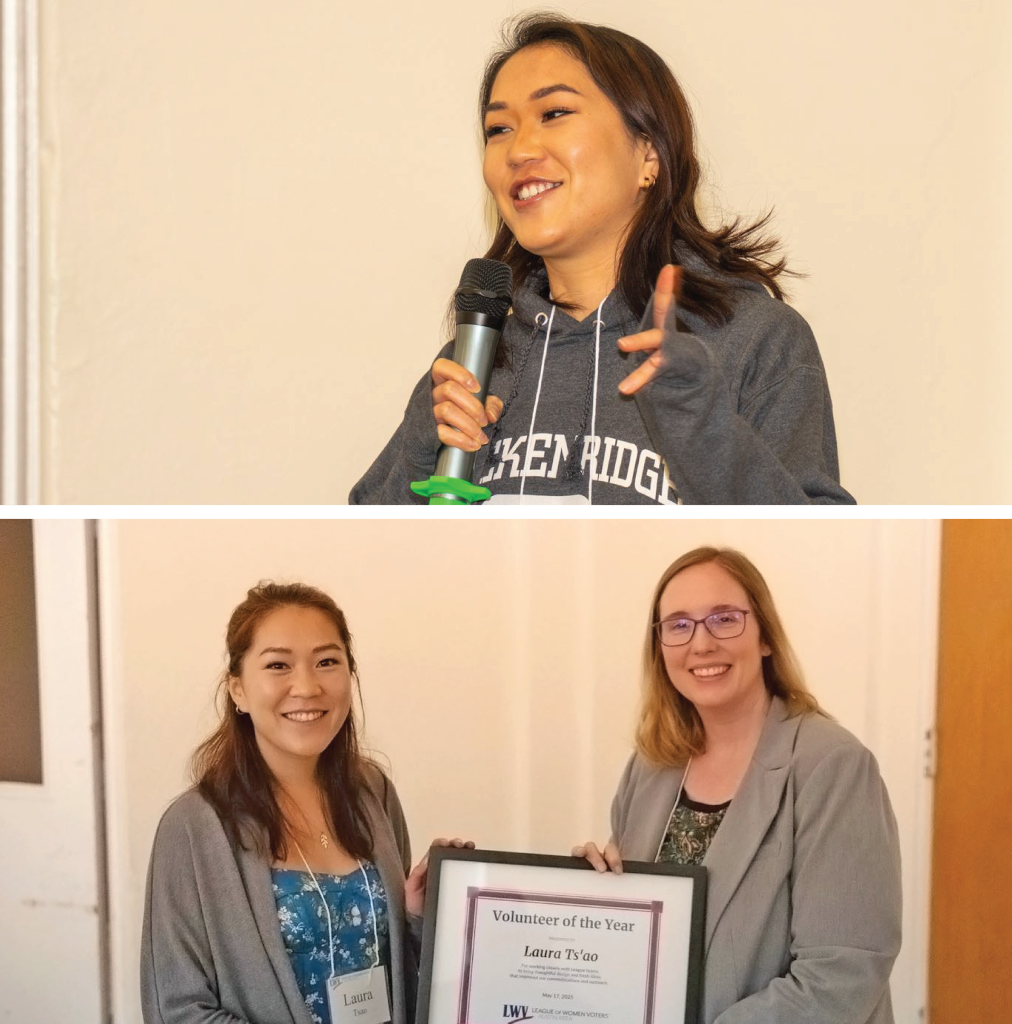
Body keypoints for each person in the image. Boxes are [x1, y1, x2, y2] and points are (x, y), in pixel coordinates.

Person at [351, 14, 854, 505]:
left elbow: (817, 543)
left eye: (554, 114)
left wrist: (702, 425)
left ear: (648, 153)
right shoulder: (470, 361)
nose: (519, 149)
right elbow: (371, 550)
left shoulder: (755, 339)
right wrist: (421, 446)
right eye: (498, 129)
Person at [575, 547, 900, 1023]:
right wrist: (592, 897)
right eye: (679, 625)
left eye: (724, 619)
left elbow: (841, 976)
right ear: (660, 646)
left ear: (765, 636)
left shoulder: (833, 766)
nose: (701, 644)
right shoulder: (649, 767)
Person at [140, 582, 468, 1024]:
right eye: (278, 665)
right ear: (238, 690)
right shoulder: (193, 827)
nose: (307, 686)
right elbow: (178, 1010)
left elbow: (401, 976)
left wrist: (418, 917)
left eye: (327, 662)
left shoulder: (374, 793)